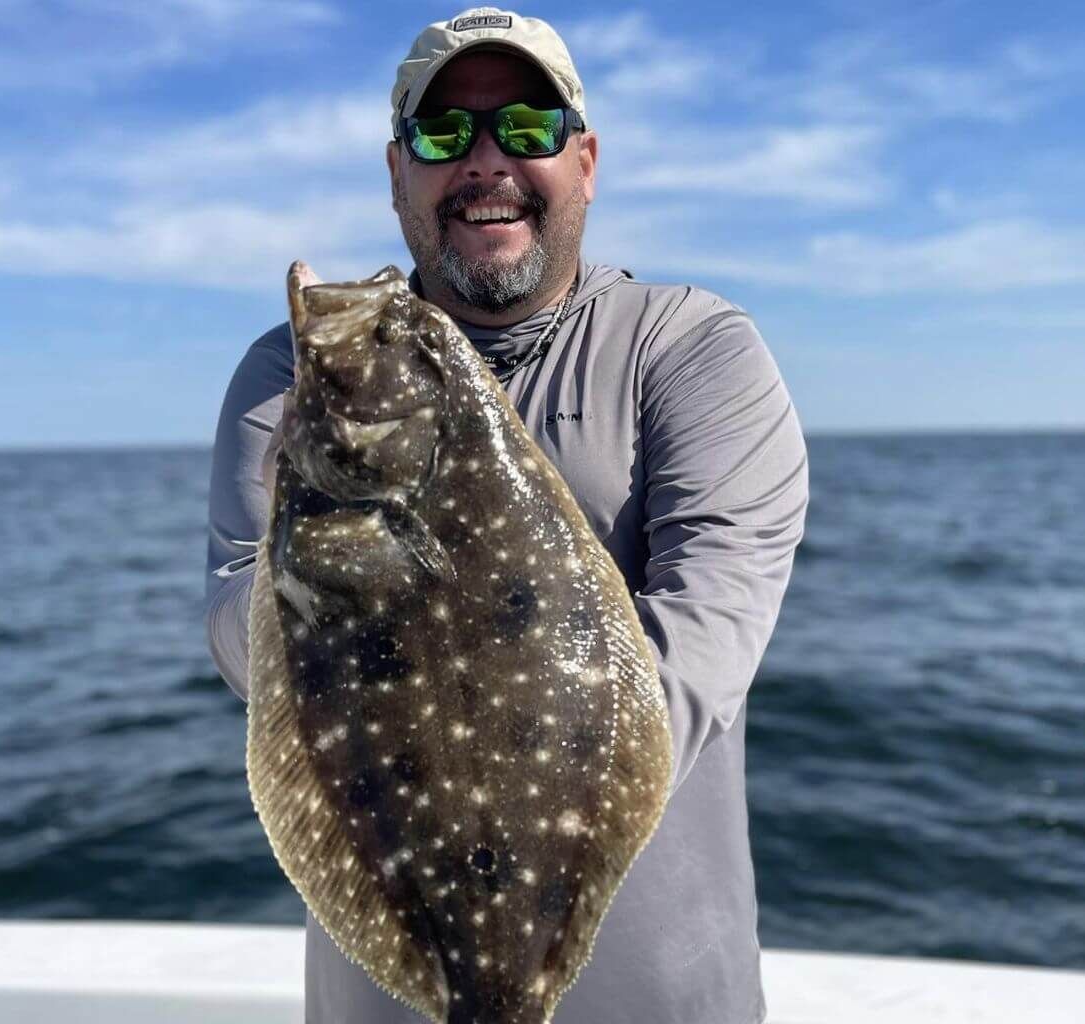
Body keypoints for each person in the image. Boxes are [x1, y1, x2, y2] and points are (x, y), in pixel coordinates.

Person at [204, 7, 809, 1023]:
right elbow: (238, 635)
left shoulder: (693, 348)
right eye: (443, 136)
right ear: (398, 172)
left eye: (525, 128)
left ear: (584, 159)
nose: (486, 162)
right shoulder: (293, 371)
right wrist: (305, 533)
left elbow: (710, 634)